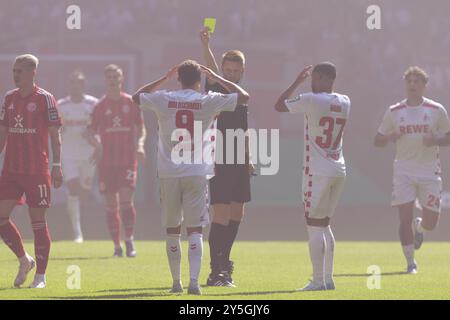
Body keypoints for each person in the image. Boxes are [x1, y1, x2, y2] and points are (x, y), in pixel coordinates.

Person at [133, 60, 249, 295]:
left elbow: (137, 97)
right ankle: (194, 283)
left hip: (169, 173)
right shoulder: (207, 99)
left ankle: (176, 283)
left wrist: (163, 79)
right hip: (196, 172)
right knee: (195, 229)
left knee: (172, 229)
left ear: (179, 79)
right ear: (199, 80)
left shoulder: (164, 98)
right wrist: (218, 79)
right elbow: (244, 97)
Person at [274, 62, 350, 291]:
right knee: (325, 225)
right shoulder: (346, 101)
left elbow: (278, 106)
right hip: (338, 168)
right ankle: (328, 279)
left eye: (313, 78)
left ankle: (318, 281)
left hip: (317, 171)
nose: (310, 82)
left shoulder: (310, 99)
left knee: (314, 226)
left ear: (322, 77)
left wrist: (296, 82)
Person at [374, 66, 450, 274]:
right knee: (404, 219)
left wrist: (435, 139)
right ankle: (410, 263)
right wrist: (389, 137)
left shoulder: (436, 110)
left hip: (429, 172)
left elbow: (448, 136)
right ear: (405, 84)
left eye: (417, 81)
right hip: (403, 171)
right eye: (409, 81)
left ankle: (421, 227)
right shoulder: (394, 111)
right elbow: (377, 140)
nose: (413, 85)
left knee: (432, 223)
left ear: (425, 85)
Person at [0, 54, 63, 288]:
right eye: (14, 71)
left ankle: (41, 277)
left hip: (37, 170)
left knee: (37, 221)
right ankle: (24, 259)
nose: (15, 75)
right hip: (11, 170)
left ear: (32, 72)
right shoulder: (9, 98)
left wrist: (57, 166)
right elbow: (3, 133)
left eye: (20, 71)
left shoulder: (46, 99)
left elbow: (56, 136)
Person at [200, 27, 252, 287]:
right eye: (227, 70)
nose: (230, 74)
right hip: (219, 158)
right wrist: (206, 45)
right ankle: (215, 270)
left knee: (237, 214)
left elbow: (243, 130)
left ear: (242, 72)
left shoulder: (237, 93)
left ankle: (225, 263)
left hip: (238, 160)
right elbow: (210, 72)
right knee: (220, 216)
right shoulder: (218, 91)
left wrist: (248, 157)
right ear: (222, 70)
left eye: (235, 71)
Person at [87, 64, 146, 258]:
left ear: (121, 79)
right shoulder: (100, 106)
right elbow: (89, 131)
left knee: (126, 201)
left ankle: (129, 240)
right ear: (105, 80)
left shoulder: (131, 103)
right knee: (111, 204)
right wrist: (97, 145)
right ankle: (116, 246)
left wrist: (140, 145)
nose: (113, 80)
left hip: (127, 160)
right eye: (109, 77)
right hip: (107, 162)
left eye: (116, 77)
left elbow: (142, 128)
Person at [58, 70, 98, 243]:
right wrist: (60, 130)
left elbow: (99, 126)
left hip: (88, 154)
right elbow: (54, 128)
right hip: (68, 154)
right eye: (73, 82)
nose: (76, 86)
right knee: (73, 188)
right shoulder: (61, 105)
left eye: (79, 82)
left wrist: (95, 139)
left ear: (83, 85)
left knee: (85, 191)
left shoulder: (93, 104)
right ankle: (77, 232)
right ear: (69, 85)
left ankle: (88, 223)